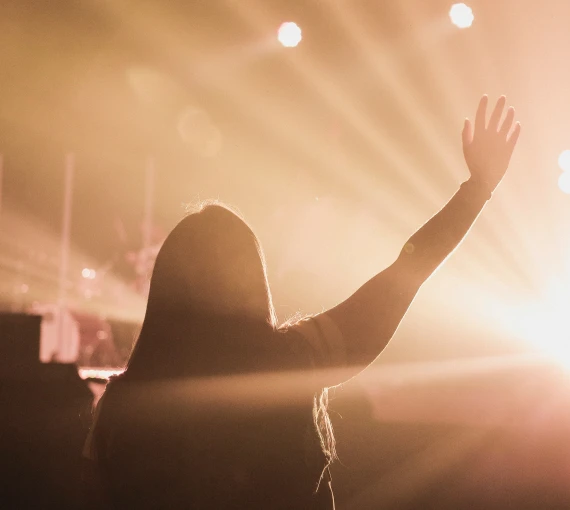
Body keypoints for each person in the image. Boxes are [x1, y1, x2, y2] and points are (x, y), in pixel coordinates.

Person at [83, 95, 521, 509]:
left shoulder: (119, 409)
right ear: (252, 284)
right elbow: (405, 274)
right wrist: (477, 189)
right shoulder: (290, 364)